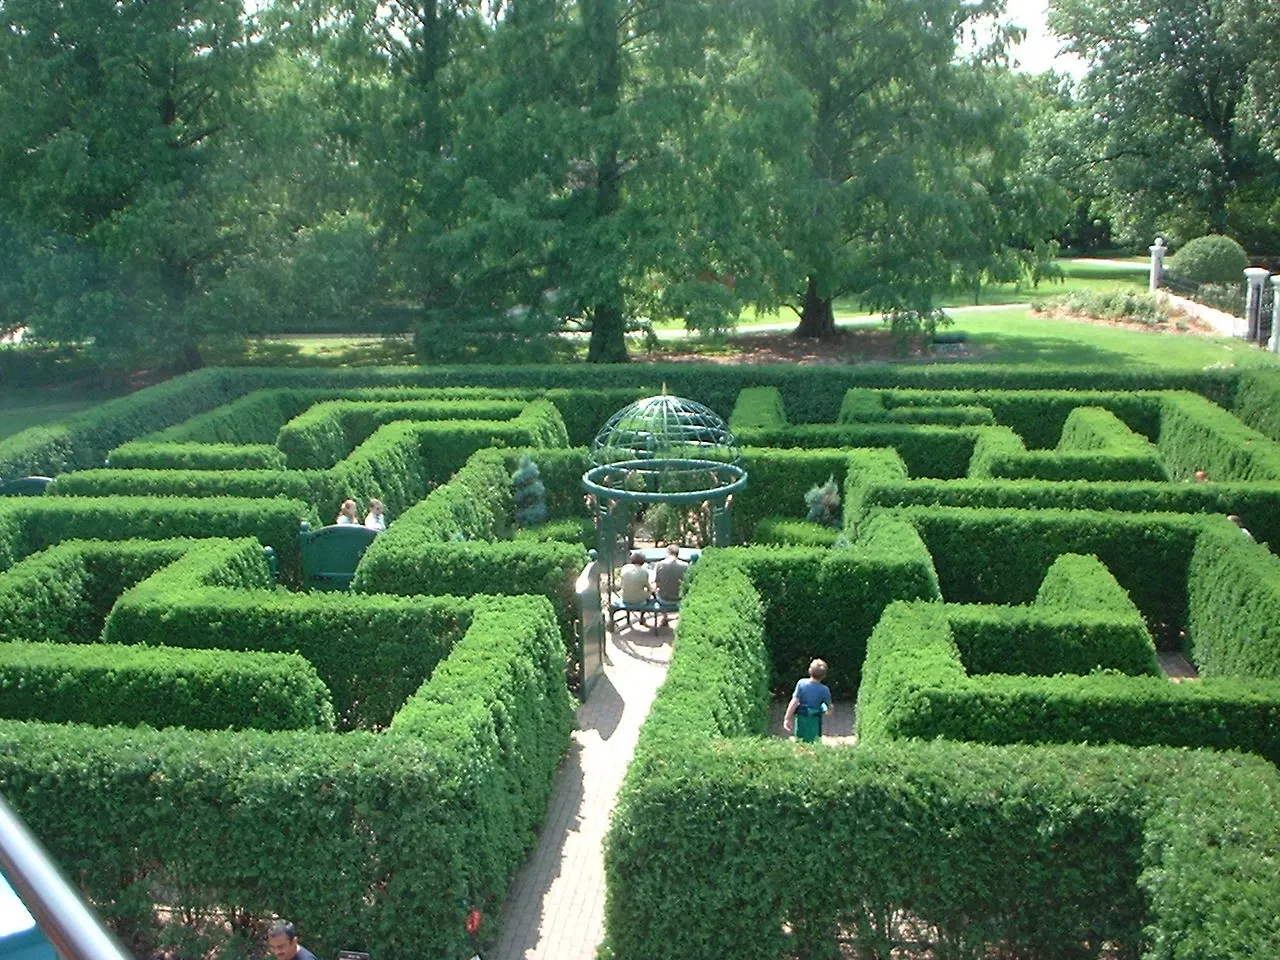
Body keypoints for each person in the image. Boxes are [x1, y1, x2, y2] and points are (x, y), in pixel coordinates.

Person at [783, 658, 833, 742]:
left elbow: (794, 702)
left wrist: (787, 717)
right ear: (824, 675)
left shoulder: (801, 683)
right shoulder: (824, 689)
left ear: (809, 670)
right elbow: (830, 706)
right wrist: (829, 711)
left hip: (801, 717)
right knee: (814, 740)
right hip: (814, 720)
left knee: (800, 740)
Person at [653, 543, 689, 628]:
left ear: (668, 552)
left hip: (664, 599)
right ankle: (681, 618)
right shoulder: (685, 566)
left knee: (655, 591)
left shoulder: (659, 564)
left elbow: (657, 583)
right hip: (680, 599)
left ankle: (665, 617)